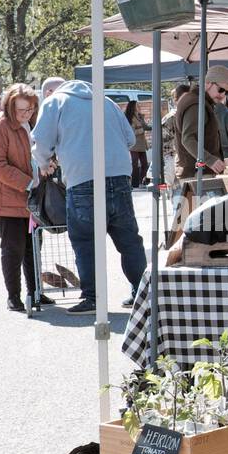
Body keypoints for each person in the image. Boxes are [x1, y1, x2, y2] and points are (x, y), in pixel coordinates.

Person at [31, 79, 146, 314]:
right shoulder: (107, 102)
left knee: (85, 242)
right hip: (119, 176)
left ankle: (93, 298)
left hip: (82, 178)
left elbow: (41, 141)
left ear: (50, 91)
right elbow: (131, 139)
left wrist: (44, 163)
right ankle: (141, 293)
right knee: (129, 240)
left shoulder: (55, 103)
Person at [0, 83, 51, 312]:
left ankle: (36, 293)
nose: (26, 114)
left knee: (33, 247)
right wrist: (27, 182)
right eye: (21, 110)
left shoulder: (32, 123)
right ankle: (14, 296)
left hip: (31, 199)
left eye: (30, 110)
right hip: (6, 200)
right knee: (13, 248)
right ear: (10, 106)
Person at [175, 66, 228, 181]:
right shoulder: (196, 104)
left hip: (198, 172)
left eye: (226, 91)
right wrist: (209, 159)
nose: (222, 95)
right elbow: (187, 138)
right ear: (208, 83)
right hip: (196, 174)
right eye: (220, 90)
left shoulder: (199, 101)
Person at [125, 100, 149, 187]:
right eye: (137, 105)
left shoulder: (139, 116)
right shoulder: (130, 117)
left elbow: (146, 127)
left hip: (141, 144)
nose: (139, 107)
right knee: (134, 164)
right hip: (134, 145)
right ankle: (134, 184)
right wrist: (141, 130)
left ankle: (143, 182)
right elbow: (132, 131)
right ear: (133, 107)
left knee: (145, 164)